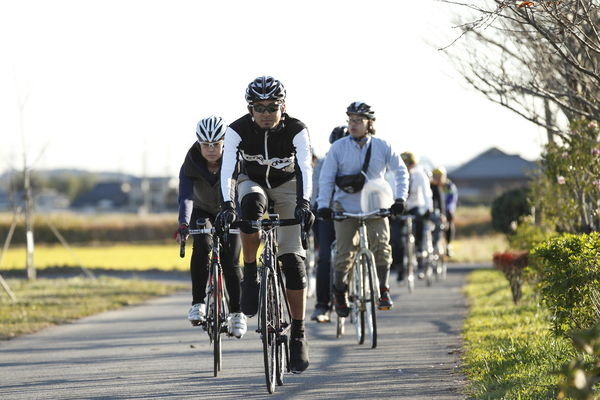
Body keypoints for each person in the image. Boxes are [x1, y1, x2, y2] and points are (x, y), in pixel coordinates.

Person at [215, 76, 314, 373]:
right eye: (259, 108)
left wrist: (305, 203)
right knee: (250, 208)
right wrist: (227, 205)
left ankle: (297, 332)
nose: (266, 114)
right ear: (250, 108)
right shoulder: (237, 130)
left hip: (288, 187)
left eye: (273, 107)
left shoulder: (297, 129)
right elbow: (228, 169)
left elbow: (306, 166)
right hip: (252, 183)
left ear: (283, 106)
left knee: (293, 261)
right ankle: (250, 272)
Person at [317, 102, 408, 318]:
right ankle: (340, 293)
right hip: (345, 206)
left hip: (377, 205)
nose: (353, 124)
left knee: (382, 246)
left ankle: (383, 290)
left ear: (370, 123)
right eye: (350, 120)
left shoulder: (383, 146)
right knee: (343, 253)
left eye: (358, 120)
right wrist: (323, 206)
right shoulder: (338, 148)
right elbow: (327, 178)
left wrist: (399, 199)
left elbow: (401, 172)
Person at [174, 115, 246, 338]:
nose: (211, 149)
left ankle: (236, 313)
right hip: (202, 210)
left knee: (231, 260)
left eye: (216, 144)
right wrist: (184, 223)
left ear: (224, 142)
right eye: (206, 145)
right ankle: (198, 303)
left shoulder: (236, 159)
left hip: (231, 210)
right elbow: (185, 196)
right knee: (203, 245)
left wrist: (244, 220)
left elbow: (245, 191)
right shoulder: (191, 161)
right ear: (199, 143)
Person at [310, 126, 349, 323]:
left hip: (351, 214)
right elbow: (314, 193)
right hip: (325, 214)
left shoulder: (358, 164)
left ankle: (358, 289)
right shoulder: (323, 164)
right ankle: (322, 305)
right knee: (325, 256)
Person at [400, 152, 433, 279]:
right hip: (402, 206)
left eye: (410, 164)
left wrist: (428, 209)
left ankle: (419, 248)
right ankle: (400, 266)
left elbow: (426, 192)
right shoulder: (396, 174)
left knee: (419, 219)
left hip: (416, 205)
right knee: (395, 231)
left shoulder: (419, 175)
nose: (408, 167)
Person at [431, 167, 458, 257]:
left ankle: (448, 245)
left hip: (447, 209)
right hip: (435, 208)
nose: (437, 178)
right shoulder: (431, 186)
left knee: (450, 221)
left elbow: (451, 200)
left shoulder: (449, 186)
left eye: (439, 176)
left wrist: (447, 211)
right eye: (435, 176)